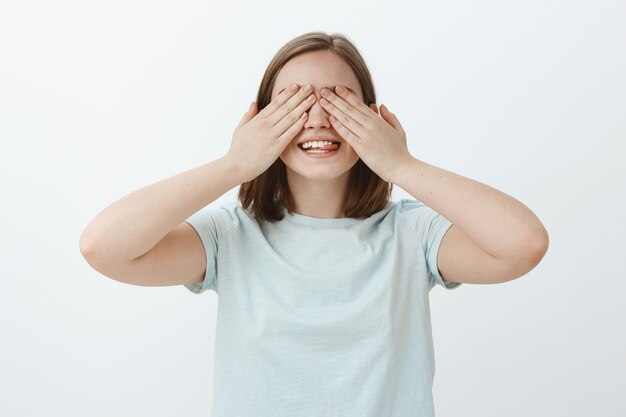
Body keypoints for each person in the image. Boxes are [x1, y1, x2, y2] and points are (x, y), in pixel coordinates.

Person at [80, 31, 549, 417]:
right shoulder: (229, 238)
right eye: (295, 104)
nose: (319, 119)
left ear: (371, 118)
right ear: (262, 120)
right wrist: (233, 165)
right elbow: (103, 247)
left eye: (339, 102)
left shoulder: (413, 235)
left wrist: (401, 165)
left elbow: (523, 244)